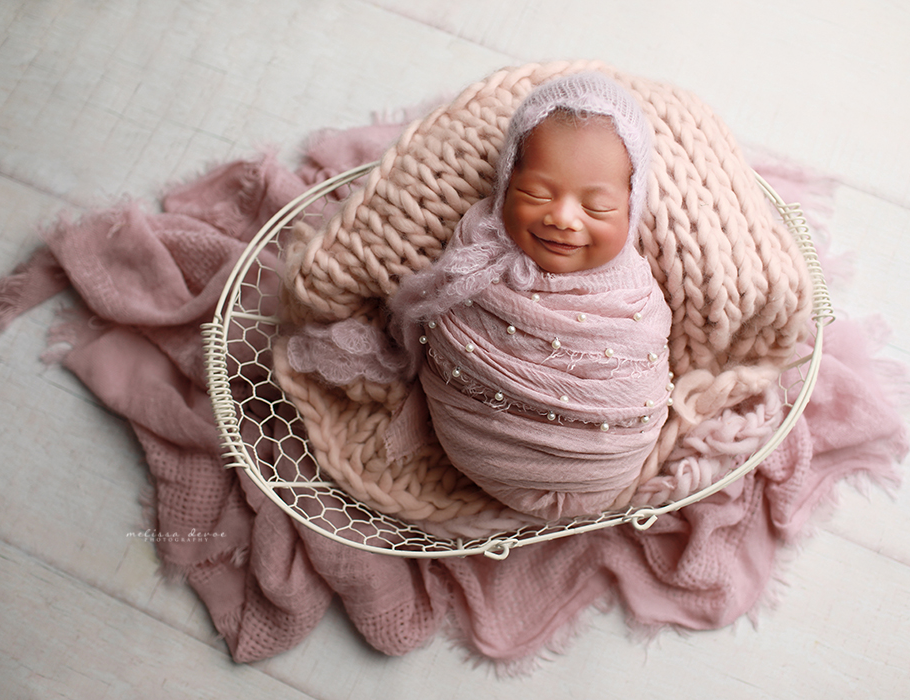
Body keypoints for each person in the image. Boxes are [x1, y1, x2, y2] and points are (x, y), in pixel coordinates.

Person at [283, 73, 673, 520]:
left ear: (631, 206)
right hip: (479, 449)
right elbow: (435, 319)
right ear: (506, 183)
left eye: (597, 207)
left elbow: (644, 358)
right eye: (536, 194)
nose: (564, 218)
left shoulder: (632, 288)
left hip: (607, 465)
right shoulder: (475, 253)